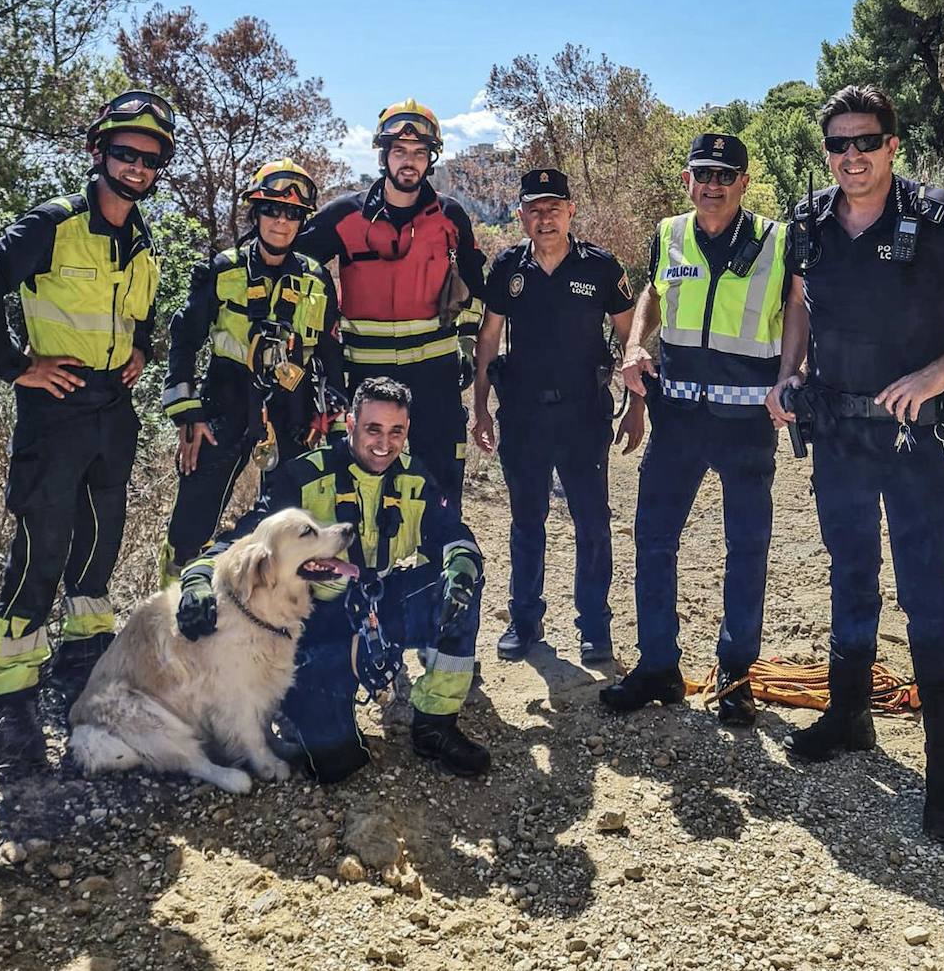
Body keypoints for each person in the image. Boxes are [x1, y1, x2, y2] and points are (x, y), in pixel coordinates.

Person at [766, 84, 944, 840]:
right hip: (838, 437)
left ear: (892, 145)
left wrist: (943, 369)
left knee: (926, 594)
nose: (852, 156)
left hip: (914, 440)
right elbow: (801, 304)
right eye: (839, 144)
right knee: (848, 573)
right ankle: (849, 717)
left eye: (866, 141)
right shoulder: (810, 222)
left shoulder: (940, 215)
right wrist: (790, 373)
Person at [0, 90, 176, 765]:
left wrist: (142, 348)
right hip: (56, 410)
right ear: (98, 152)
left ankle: (82, 664)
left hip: (114, 409)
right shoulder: (55, 223)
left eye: (150, 158)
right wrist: (16, 365)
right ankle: (9, 698)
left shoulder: (141, 240)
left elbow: (137, 312)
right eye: (125, 153)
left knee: (100, 541)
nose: (136, 167)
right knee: (42, 545)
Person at [176, 377, 488, 783]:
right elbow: (244, 540)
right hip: (318, 628)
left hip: (379, 608)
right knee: (338, 764)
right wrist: (198, 580)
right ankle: (295, 707)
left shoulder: (415, 477)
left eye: (396, 432)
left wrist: (462, 564)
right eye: (373, 429)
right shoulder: (303, 477)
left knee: (463, 583)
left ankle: (435, 727)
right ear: (351, 422)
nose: (384, 444)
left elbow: (453, 532)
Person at [600, 133, 789, 723]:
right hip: (677, 417)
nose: (713, 185)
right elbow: (653, 297)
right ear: (688, 179)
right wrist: (635, 345)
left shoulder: (778, 240)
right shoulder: (669, 233)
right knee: (653, 541)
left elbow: (803, 309)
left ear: (744, 182)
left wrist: (794, 375)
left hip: (747, 423)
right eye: (703, 173)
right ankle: (658, 666)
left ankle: (735, 676)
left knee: (746, 550)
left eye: (725, 175)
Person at [472, 168, 644, 666]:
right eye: (534, 209)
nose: (545, 218)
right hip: (524, 416)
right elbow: (487, 340)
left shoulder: (601, 268)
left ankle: (594, 627)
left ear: (571, 211)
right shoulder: (507, 268)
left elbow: (632, 341)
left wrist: (636, 406)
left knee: (592, 522)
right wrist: (480, 407)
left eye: (554, 208)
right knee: (528, 521)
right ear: (521, 216)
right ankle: (525, 621)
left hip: (584, 416)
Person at [157, 159, 342, 586]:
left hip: (293, 410)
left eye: (293, 214)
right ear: (255, 213)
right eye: (272, 210)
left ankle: (270, 608)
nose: (282, 221)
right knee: (194, 516)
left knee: (288, 518)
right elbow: (184, 341)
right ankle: (174, 604)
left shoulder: (315, 279)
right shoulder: (222, 270)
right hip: (226, 402)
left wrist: (334, 408)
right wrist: (188, 413)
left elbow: (331, 350)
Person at [295, 100, 485, 507]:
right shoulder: (343, 216)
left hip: (435, 376)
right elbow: (292, 262)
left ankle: (439, 566)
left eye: (419, 153)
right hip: (365, 373)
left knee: (440, 485)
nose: (409, 162)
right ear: (383, 155)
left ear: (430, 158)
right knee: (361, 484)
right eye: (400, 152)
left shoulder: (451, 217)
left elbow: (476, 284)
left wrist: (467, 344)